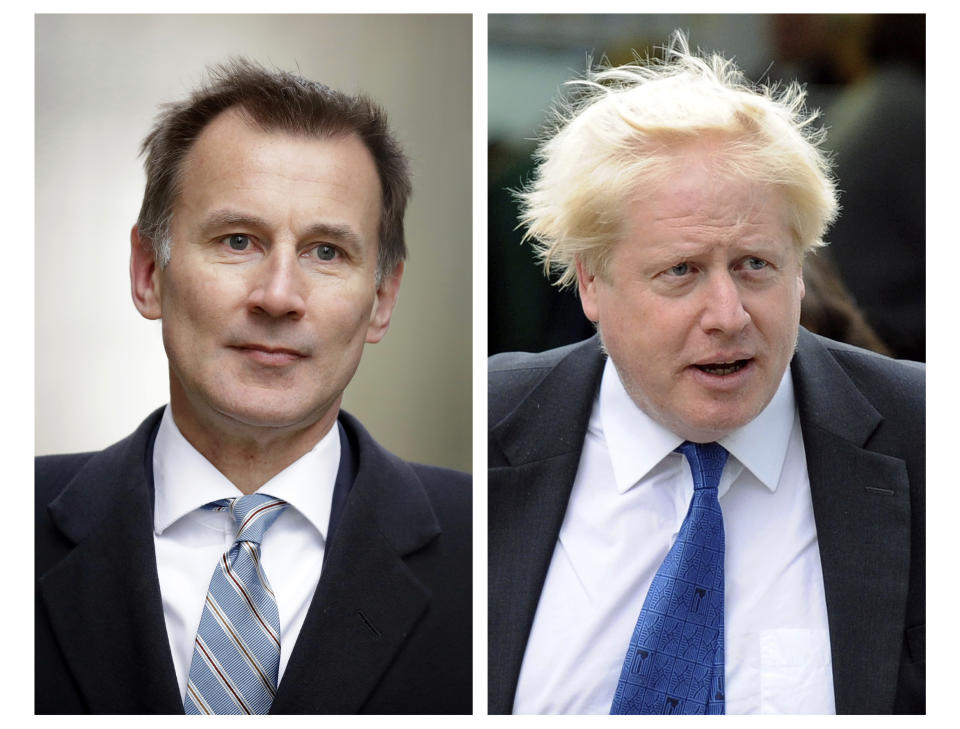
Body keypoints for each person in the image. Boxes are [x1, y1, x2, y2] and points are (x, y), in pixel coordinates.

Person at [488, 33, 923, 715]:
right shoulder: (487, 431)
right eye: (681, 270)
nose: (727, 314)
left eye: (755, 265)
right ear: (591, 283)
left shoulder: (925, 440)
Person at [36, 59, 471, 715]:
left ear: (382, 298)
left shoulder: (479, 545)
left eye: (326, 251)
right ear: (150, 271)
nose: (278, 296)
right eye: (238, 240)